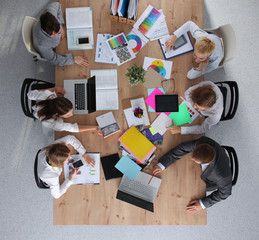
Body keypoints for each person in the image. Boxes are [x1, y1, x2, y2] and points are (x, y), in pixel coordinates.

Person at [153, 136, 232, 213]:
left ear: (207, 162)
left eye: (196, 161)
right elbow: (182, 148)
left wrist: (202, 204)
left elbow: (225, 193)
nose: (193, 160)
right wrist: (162, 164)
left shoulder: (221, 177)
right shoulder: (203, 143)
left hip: (211, 182)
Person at [32, 2, 89, 67]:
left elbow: (57, 5)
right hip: (48, 47)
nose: (57, 35)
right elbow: (53, 59)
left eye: (57, 32)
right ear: (45, 31)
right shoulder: (42, 43)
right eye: (52, 35)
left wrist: (61, 26)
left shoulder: (50, 12)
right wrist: (73, 59)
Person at [27, 87, 102, 136]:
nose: (72, 115)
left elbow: (29, 95)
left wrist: (53, 90)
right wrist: (94, 128)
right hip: (39, 113)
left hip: (41, 105)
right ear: (57, 114)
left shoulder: (47, 94)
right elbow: (72, 128)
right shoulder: (51, 122)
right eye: (68, 115)